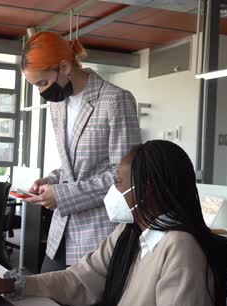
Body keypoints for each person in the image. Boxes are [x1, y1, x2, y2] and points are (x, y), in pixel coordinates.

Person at [0, 140, 227, 306]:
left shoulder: (181, 249)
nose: (112, 192)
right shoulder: (130, 232)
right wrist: (9, 285)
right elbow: (79, 279)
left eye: (118, 183)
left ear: (145, 190)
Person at [21, 31, 141, 271]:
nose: (42, 92)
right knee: (44, 298)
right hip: (60, 232)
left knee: (77, 305)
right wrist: (51, 180)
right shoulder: (58, 105)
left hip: (98, 233)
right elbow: (73, 166)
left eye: (43, 83)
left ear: (65, 67)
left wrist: (63, 195)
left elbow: (125, 177)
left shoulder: (115, 100)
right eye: (36, 86)